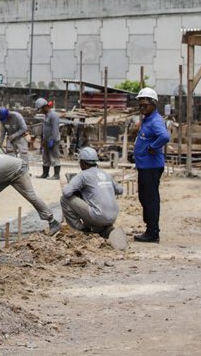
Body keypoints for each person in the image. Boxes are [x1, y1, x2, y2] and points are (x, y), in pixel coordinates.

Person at [61, 147, 128, 249]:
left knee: (65, 199)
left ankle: (80, 230)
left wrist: (67, 185)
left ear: (82, 163)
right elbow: (120, 190)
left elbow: (67, 192)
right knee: (93, 203)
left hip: (98, 215)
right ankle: (104, 229)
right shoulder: (106, 174)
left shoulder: (83, 175)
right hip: (113, 216)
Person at [133, 87, 170, 243]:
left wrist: (152, 147)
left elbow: (164, 136)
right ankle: (150, 227)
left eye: (145, 105)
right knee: (144, 197)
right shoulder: (148, 119)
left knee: (150, 199)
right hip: (145, 166)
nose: (142, 108)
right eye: (140, 105)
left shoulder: (155, 120)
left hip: (151, 167)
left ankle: (153, 232)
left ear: (153, 104)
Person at [36, 97, 61, 180]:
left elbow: (55, 129)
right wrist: (43, 140)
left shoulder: (54, 115)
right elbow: (45, 129)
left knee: (54, 157)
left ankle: (56, 175)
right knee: (45, 157)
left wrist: (53, 140)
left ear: (45, 107)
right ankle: (45, 173)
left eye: (41, 109)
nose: (41, 111)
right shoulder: (46, 115)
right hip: (46, 140)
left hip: (53, 140)